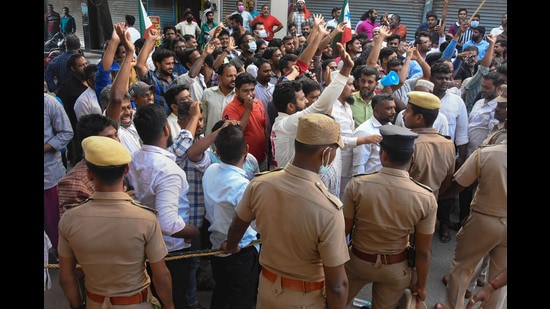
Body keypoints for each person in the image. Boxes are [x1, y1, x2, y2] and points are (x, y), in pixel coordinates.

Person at [222, 113, 349, 308]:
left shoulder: (260, 183)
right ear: (326, 153)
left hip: (266, 289)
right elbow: (338, 285)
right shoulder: (328, 209)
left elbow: (236, 226)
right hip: (306, 298)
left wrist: (231, 246)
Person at [58, 136, 175, 309]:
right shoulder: (146, 219)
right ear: (126, 169)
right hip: (138, 303)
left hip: (94, 303)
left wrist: (78, 305)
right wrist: (170, 305)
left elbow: (66, 278)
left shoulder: (69, 219)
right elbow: (161, 276)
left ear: (89, 174)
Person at [343, 124, 437, 308]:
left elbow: (342, 232)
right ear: (411, 158)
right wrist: (422, 285)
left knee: (334, 303)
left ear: (383, 155)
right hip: (395, 268)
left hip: (358, 261)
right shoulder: (426, 197)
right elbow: (424, 252)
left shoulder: (357, 186)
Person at [127, 104, 200, 309]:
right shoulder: (168, 170)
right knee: (175, 299)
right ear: (166, 129)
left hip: (148, 245)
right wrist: (193, 233)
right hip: (172, 250)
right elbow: (168, 223)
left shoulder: (135, 158)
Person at [434, 127, 507, 309]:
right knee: (499, 278)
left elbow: (458, 185)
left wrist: (435, 197)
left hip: (484, 220)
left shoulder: (486, 153)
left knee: (461, 269)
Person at [202, 124, 260, 308]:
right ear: (247, 150)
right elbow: (250, 224)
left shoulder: (210, 171)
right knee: (242, 300)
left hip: (216, 247)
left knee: (222, 295)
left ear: (217, 152)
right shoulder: (242, 186)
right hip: (239, 251)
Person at [402, 91, 455, 201]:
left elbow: (399, 181)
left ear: (418, 118)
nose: (403, 114)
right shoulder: (449, 144)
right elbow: (447, 182)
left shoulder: (409, 144)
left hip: (407, 204)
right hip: (431, 204)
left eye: (407, 111)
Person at [44, 93, 74, 254]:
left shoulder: (49, 103)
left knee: (54, 222)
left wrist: (46, 147)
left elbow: (66, 133)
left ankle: (62, 256)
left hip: (49, 176)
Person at [222, 72, 269, 170]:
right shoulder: (230, 109)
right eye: (245, 91)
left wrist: (268, 152)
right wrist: (248, 109)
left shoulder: (258, 103)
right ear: (237, 91)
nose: (250, 94)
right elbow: (235, 134)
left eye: (252, 90)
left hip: (262, 159)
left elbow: (264, 130)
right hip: (243, 162)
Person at [56, 52, 89, 166]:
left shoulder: (91, 80)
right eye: (81, 65)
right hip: (76, 129)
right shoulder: (67, 87)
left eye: (86, 64)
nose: (85, 67)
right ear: (73, 68)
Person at [136, 27, 178, 115]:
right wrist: (150, 40)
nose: (171, 66)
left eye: (172, 63)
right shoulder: (152, 79)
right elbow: (140, 65)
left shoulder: (176, 78)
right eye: (167, 64)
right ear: (158, 64)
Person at [352, 93, 395, 175]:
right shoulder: (364, 131)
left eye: (394, 108)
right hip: (369, 182)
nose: (393, 112)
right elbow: (359, 165)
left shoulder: (390, 127)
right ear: (376, 111)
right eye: (389, 109)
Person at [201, 63, 238, 135]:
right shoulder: (208, 93)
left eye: (235, 76)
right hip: (211, 140)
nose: (233, 79)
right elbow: (203, 119)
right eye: (229, 76)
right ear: (220, 77)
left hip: (232, 140)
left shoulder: (238, 96)